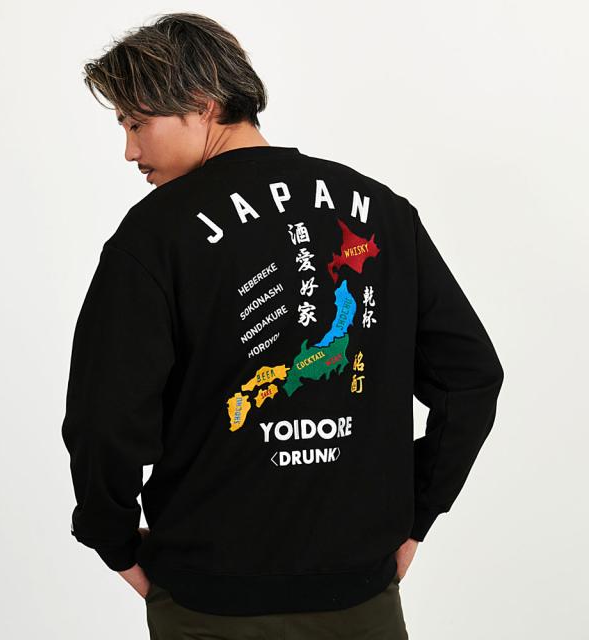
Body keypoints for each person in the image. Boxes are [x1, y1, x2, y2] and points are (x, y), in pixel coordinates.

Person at [61, 12, 504, 640]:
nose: (130, 151)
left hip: (209, 607)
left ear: (202, 103)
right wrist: (416, 516)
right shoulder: (381, 212)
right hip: (361, 599)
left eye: (137, 123)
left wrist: (113, 541)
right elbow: (471, 377)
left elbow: (105, 418)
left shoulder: (155, 234)